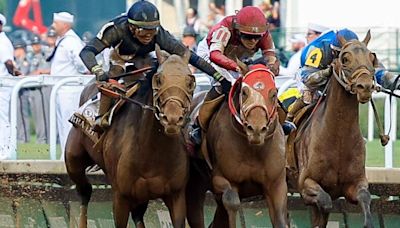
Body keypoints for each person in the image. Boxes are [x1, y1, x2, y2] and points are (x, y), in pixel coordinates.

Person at [79, 0, 226, 131]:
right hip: (118, 55)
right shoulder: (116, 30)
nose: (149, 35)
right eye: (144, 31)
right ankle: (101, 118)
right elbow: (87, 52)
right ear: (131, 27)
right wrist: (97, 70)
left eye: (152, 30)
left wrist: (218, 76)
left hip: (144, 58)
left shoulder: (159, 34)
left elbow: (192, 58)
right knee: (113, 78)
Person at [282, 28, 400, 135]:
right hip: (311, 73)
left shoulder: (357, 51)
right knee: (309, 96)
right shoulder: (319, 49)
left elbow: (377, 71)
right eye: (341, 56)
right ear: (334, 51)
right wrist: (328, 72)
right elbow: (308, 78)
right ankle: (290, 119)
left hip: (338, 76)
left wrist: (395, 81)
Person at [190, 6, 280, 145]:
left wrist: (271, 66)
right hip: (210, 53)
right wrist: (236, 67)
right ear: (237, 30)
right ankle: (197, 125)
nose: (252, 41)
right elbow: (215, 55)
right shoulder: (224, 28)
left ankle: (279, 120)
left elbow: (270, 55)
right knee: (225, 83)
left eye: (257, 37)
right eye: (247, 36)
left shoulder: (264, 32)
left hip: (236, 59)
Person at [47, 11, 88, 155]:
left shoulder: (71, 41)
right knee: (62, 125)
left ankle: (70, 155)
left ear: (64, 25)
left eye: (56, 23)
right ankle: (65, 155)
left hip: (70, 90)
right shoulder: (63, 40)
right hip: (61, 89)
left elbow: (82, 64)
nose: (53, 26)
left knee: (68, 125)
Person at [0, 13, 20, 159]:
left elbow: (8, 63)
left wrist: (17, 74)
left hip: (3, 85)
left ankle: (5, 151)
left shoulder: (2, 42)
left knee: (3, 119)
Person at [28, 35, 51, 143]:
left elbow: (52, 69)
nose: (35, 47)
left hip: (45, 87)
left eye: (37, 44)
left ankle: (46, 138)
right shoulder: (31, 57)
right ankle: (41, 138)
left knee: (46, 114)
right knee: (37, 115)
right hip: (33, 88)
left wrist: (42, 72)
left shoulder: (46, 55)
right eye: (33, 44)